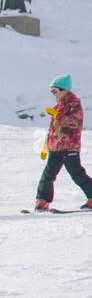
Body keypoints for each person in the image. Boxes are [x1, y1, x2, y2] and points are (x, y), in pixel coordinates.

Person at [34, 74, 92, 212]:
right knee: (48, 174)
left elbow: (74, 123)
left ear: (64, 90)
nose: (54, 95)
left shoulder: (74, 105)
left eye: (55, 91)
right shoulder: (58, 106)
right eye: (51, 92)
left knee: (77, 173)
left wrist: (57, 115)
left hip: (69, 146)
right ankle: (42, 201)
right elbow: (54, 129)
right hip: (56, 147)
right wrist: (46, 144)